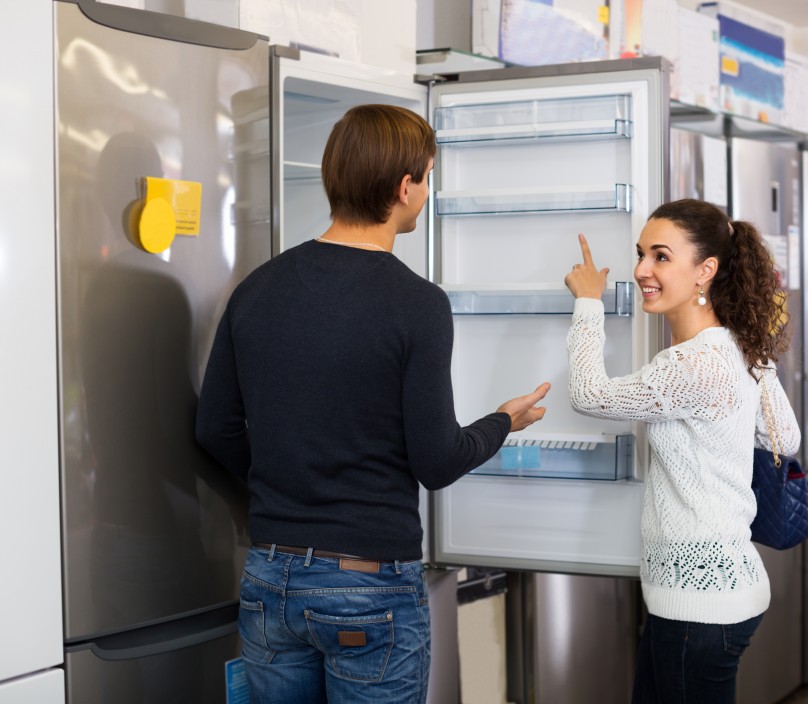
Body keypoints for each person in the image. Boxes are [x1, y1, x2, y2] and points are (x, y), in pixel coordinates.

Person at [196, 104, 551, 704]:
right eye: (428, 178)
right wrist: (503, 422)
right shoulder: (416, 304)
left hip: (270, 580)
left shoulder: (257, 288)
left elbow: (215, 428)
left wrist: (287, 477)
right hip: (368, 588)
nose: (427, 191)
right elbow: (436, 461)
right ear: (404, 187)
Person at [563, 198, 800, 704]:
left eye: (661, 257)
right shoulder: (733, 348)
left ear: (705, 271)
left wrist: (588, 303)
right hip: (719, 590)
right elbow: (785, 438)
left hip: (701, 604)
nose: (643, 269)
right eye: (642, 253)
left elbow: (589, 395)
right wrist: (757, 364)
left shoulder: (690, 364)